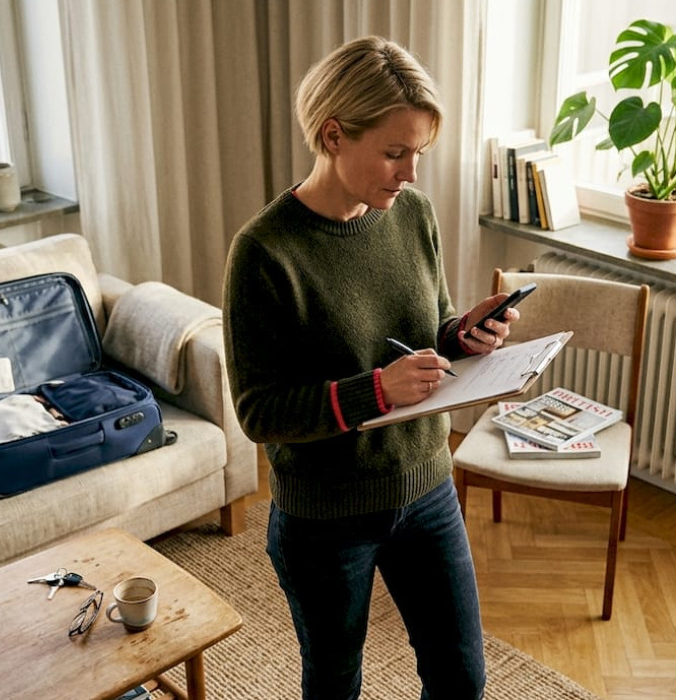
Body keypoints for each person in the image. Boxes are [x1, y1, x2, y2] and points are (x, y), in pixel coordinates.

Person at [222, 36, 519, 700]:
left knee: (462, 679)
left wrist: (464, 335)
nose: (410, 173)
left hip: (427, 488)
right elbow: (259, 412)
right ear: (333, 135)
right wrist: (376, 392)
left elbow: (428, 329)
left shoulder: (412, 214)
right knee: (335, 685)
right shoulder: (265, 253)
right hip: (324, 519)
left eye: (419, 154)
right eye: (394, 152)